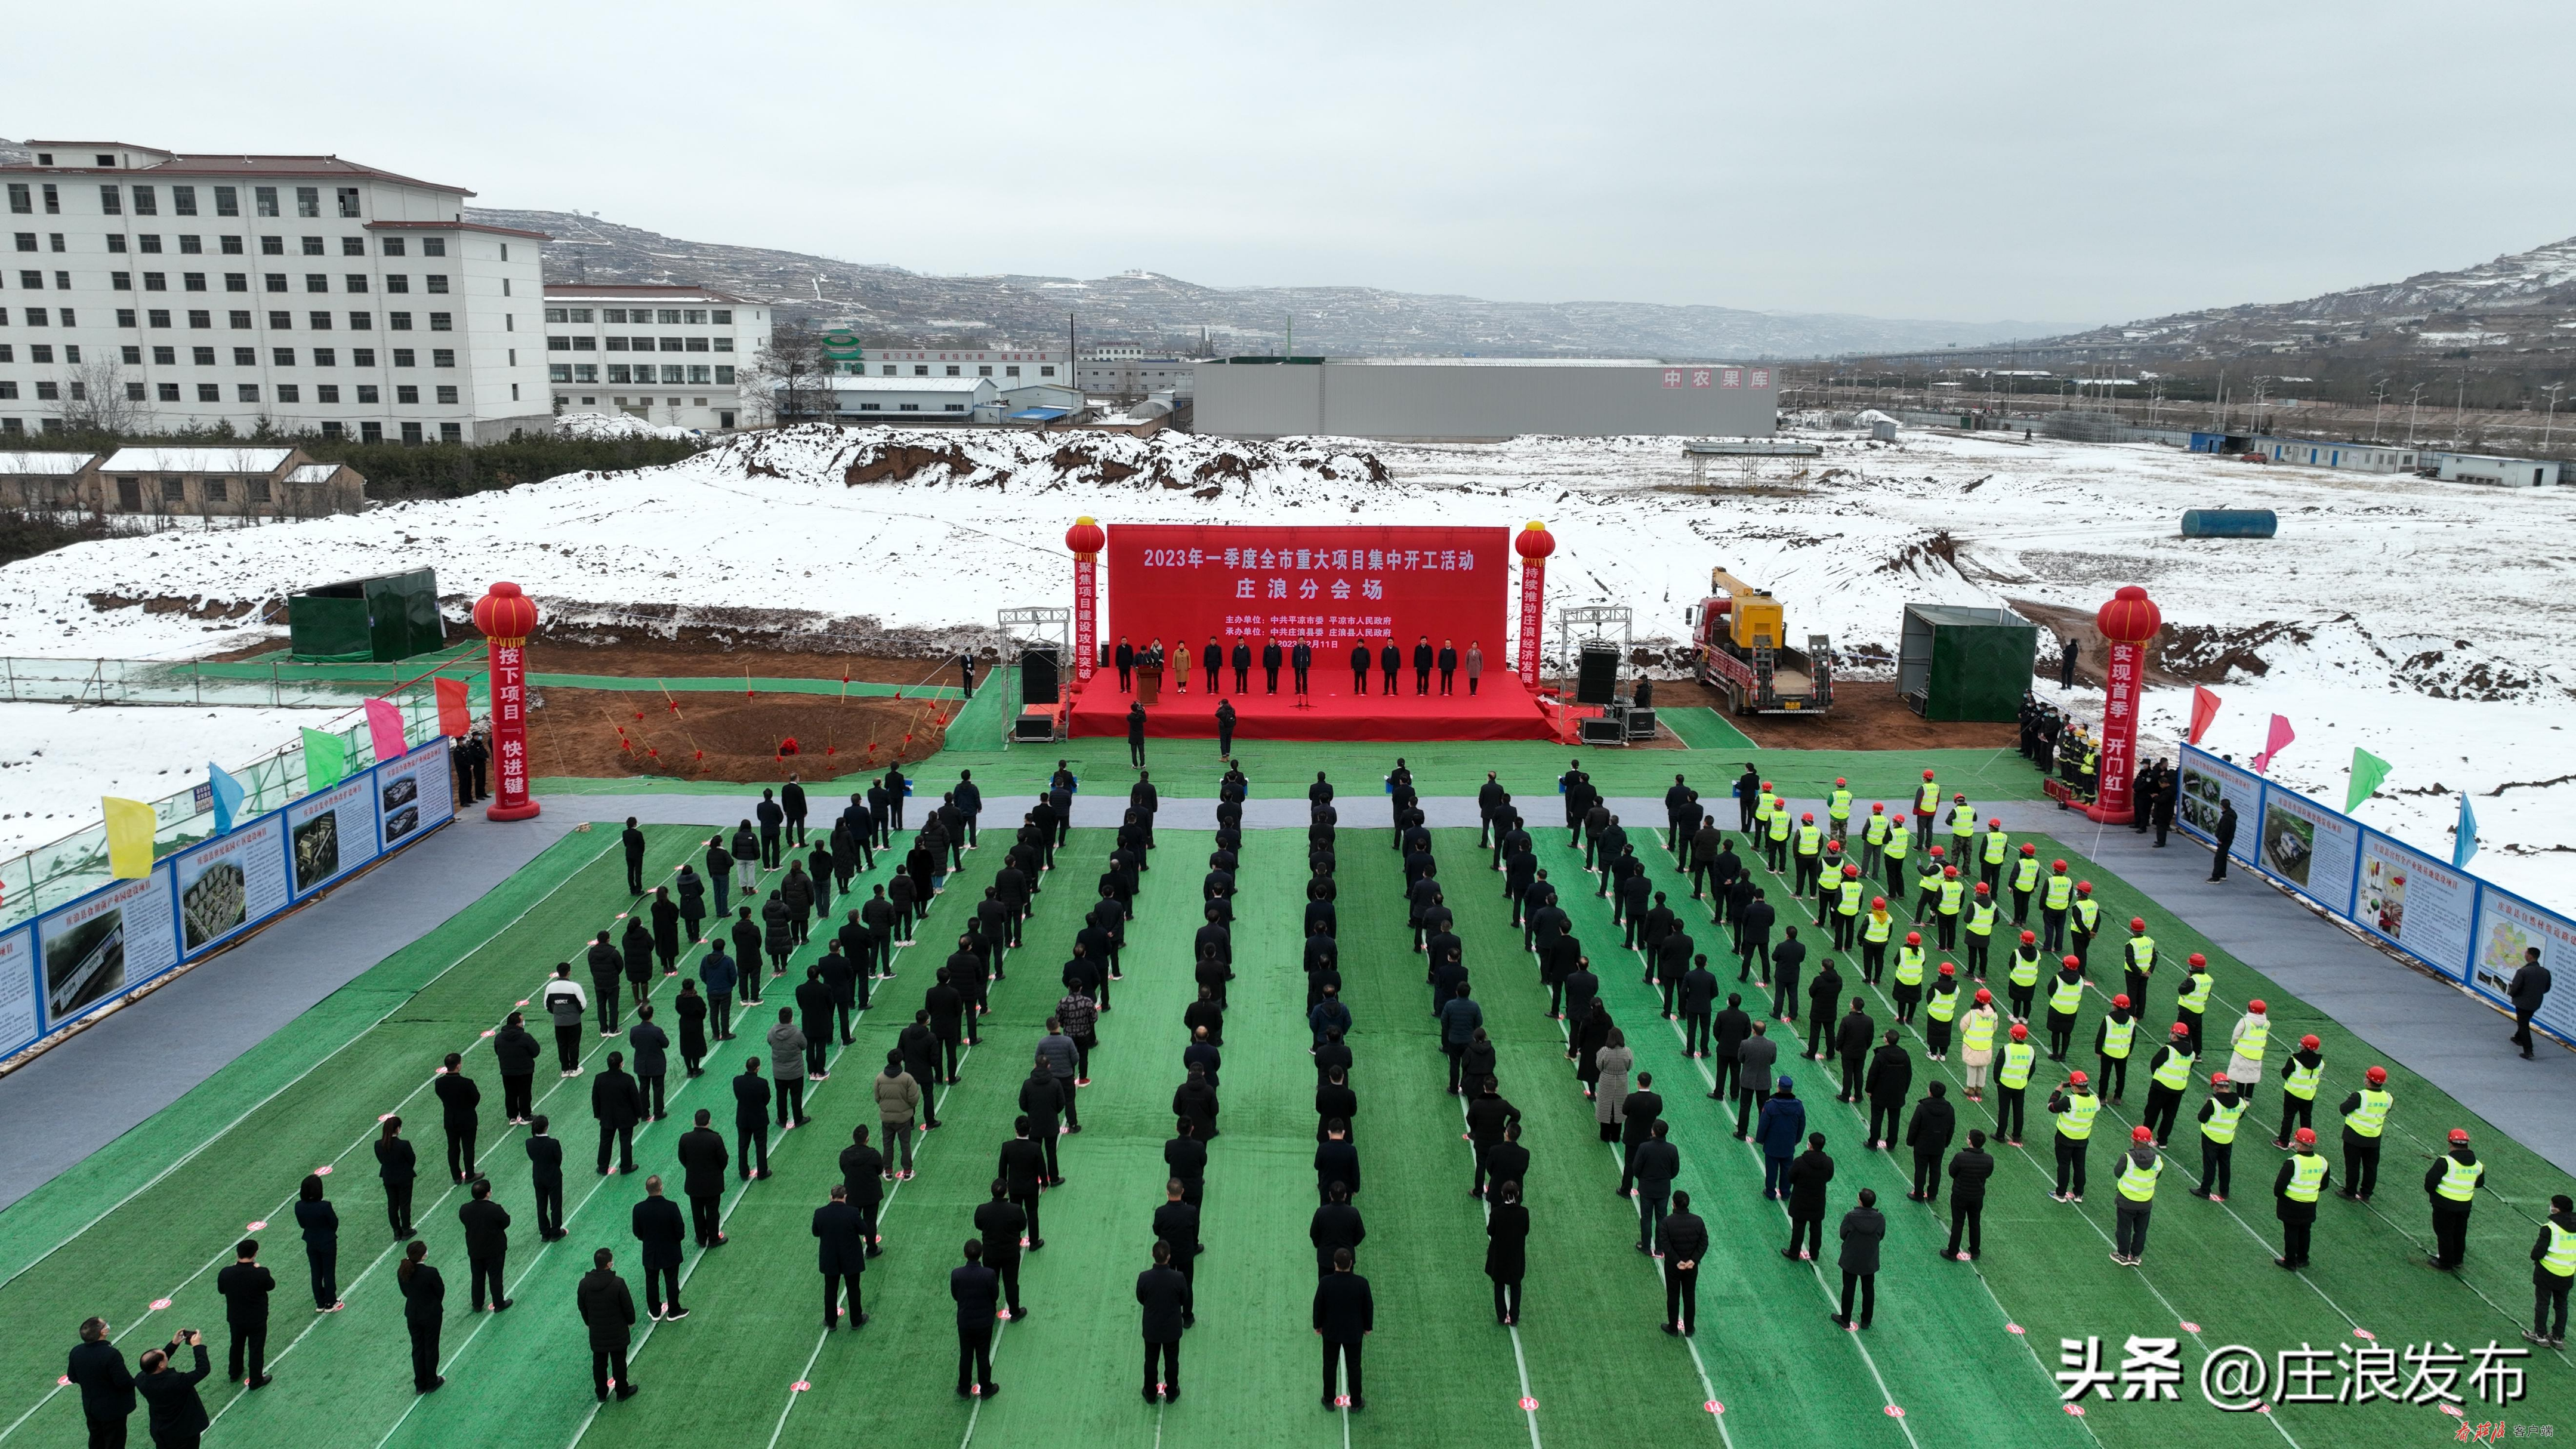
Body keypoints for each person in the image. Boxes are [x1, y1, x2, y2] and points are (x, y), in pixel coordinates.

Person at [578, 1248, 640, 1402]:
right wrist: (631, 1321)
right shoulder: (618, 1283)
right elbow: (627, 1306)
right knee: (619, 1362)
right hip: (617, 1332)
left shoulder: (584, 1284)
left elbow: (582, 1307)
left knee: (599, 1363)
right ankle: (622, 1391)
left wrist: (589, 1323)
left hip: (598, 1333)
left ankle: (601, 1393)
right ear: (608, 1264)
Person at [213, 1238, 275, 1389]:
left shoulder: (226, 1273)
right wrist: (258, 1269)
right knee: (256, 1348)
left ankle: (234, 1372)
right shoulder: (261, 1272)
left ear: (238, 1254)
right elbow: (271, 1286)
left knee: (236, 1344)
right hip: (256, 1318)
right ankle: (256, 1380)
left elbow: (221, 1290)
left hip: (236, 1317)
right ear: (255, 1254)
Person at [67, 1316, 137, 1448]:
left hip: (91, 1407)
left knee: (96, 1440)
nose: (107, 1325)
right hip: (113, 1409)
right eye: (105, 1324)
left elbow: (73, 1377)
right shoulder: (111, 1354)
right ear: (103, 1332)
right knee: (115, 1442)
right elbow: (124, 1383)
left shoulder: (76, 1351)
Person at [1315, 1247, 1372, 1410]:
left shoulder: (1326, 1283)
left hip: (1331, 1332)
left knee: (1330, 1364)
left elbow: (1318, 1306)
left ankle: (1328, 1399)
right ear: (1351, 1263)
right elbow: (1368, 1306)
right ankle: (1356, 1402)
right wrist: (1368, 1327)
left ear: (1335, 1264)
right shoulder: (1361, 1283)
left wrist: (1318, 1326)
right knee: (1354, 1366)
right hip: (1353, 1333)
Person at [1136, 1240, 1192, 1403]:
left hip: (1152, 1329)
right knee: (1172, 1360)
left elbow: (1141, 1298)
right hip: (1171, 1329)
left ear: (1153, 1255)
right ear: (1169, 1257)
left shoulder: (1144, 1278)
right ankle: (1172, 1392)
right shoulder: (1179, 1277)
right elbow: (1184, 1298)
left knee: (1151, 1361)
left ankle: (1150, 1393)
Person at [134, 1333, 211, 1446]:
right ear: (160, 1364)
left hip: (161, 1432)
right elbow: (203, 1369)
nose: (166, 1355)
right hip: (184, 1433)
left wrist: (174, 1344)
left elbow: (157, 1365)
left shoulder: (140, 1379)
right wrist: (197, 1346)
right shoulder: (176, 1381)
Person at [2273, 1127, 2331, 1268]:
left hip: (2291, 1203)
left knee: (2291, 1232)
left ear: (2299, 1144)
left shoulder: (2293, 1162)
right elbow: (2324, 1185)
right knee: (2305, 1231)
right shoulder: (2322, 1162)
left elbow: (2279, 1188)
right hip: (2310, 1204)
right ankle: (2303, 1258)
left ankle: (2290, 1261)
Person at [2334, 1064, 2393, 1202]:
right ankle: (2366, 1194)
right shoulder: (2389, 1098)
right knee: (2371, 1167)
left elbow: (2343, 1109)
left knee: (2353, 1166)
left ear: (2368, 1080)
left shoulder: (2359, 1096)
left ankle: (2350, 1192)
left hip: (2354, 1137)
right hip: (2374, 1138)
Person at [2427, 1128, 2484, 1271]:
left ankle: (2445, 1263)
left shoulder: (2445, 1162)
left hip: (2444, 1205)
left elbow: (2430, 1183)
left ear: (2451, 1143)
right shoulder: (2478, 1165)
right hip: (2465, 1205)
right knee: (2460, 1232)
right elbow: (2479, 1184)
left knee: (2444, 1233)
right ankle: (2458, 1260)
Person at [952, 1240, 1002, 1399]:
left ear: (965, 1255)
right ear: (981, 1254)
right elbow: (995, 1295)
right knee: (982, 1355)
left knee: (966, 1355)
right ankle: (986, 1388)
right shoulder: (989, 1274)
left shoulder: (957, 1274)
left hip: (965, 1321)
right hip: (984, 1322)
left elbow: (955, 1295)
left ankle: (964, 1388)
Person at [1832, 1188, 1885, 1330]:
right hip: (1869, 1260)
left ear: (1860, 1202)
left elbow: (1843, 1234)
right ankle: (1866, 1321)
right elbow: (1881, 1236)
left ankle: (1845, 1319)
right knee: (1868, 1289)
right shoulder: (1880, 1219)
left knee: (1849, 1288)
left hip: (1851, 1259)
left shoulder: (1851, 1217)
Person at [458, 1179, 513, 1314]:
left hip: (475, 1249)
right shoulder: (494, 1209)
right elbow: (506, 1222)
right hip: (494, 1250)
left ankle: (477, 1304)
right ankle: (499, 1304)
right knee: (495, 1277)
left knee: (477, 1277)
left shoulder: (465, 1209)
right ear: (488, 1193)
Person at [289, 1174, 342, 1314]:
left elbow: (302, 1225)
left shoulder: (299, 1206)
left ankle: (320, 1303)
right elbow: (334, 1223)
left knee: (316, 1272)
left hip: (311, 1241)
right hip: (327, 1241)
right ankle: (331, 1302)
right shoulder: (325, 1206)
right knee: (328, 1271)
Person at [397, 1240, 445, 1393]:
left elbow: (405, 1293)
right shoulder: (431, 1272)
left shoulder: (403, 1271)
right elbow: (440, 1292)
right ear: (423, 1256)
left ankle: (420, 1384)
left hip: (413, 1314)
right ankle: (431, 1380)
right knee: (431, 1347)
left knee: (417, 1348)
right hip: (431, 1315)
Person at [1941, 1129, 1996, 1260]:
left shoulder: (1961, 1157)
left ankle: (1952, 1252)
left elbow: (1952, 1172)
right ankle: (1975, 1251)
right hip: (1977, 1196)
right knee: (1975, 1222)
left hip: (1960, 1195)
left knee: (1958, 1223)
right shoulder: (1988, 1159)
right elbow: (1988, 1174)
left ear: (1970, 1141)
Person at [2047, 1069, 2100, 1201]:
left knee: (2064, 1165)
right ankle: (2078, 1194)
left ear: (2074, 1087)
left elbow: (2051, 1107)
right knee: (2080, 1165)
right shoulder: (2095, 1100)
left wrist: (2058, 1091)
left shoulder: (2070, 1101)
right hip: (2082, 1138)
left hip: (2065, 1138)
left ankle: (2061, 1194)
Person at [2531, 1192, 2575, 1348]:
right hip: (2568, 1273)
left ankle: (2540, 1335)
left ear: (2556, 1210)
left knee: (2543, 1304)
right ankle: (2558, 1338)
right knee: (2562, 1305)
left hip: (2547, 1272)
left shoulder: (2550, 1228)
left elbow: (2537, 1253)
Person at [1484, 1179, 1530, 1326]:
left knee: (1499, 1284)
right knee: (1516, 1285)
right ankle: (1514, 1317)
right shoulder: (1524, 1213)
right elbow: (1526, 1231)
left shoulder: (1497, 1212)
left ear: (1502, 1195)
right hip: (1516, 1255)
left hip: (1499, 1255)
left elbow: (1490, 1231)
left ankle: (1501, 1316)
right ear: (1517, 1194)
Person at [591, 1050, 643, 1175]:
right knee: (625, 1142)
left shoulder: (600, 1079)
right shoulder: (628, 1079)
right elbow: (635, 1098)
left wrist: (598, 1114)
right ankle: (626, 1167)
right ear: (621, 1064)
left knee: (605, 1142)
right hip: (625, 1117)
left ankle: (603, 1167)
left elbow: (595, 1098)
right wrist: (639, 1113)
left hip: (607, 1117)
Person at [1632, 1120, 1679, 1254]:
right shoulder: (1672, 1149)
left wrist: (1643, 1179)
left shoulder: (1644, 1147)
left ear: (1653, 1131)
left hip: (1647, 1188)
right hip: (1663, 1190)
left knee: (1646, 1218)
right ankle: (1660, 1248)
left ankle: (1646, 1246)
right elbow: (1675, 1170)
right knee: (1662, 1219)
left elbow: (1636, 1168)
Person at [1784, 1132, 1833, 1260]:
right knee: (1816, 1229)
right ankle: (1815, 1253)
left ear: (1810, 1145)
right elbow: (1829, 1177)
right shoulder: (1828, 1162)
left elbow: (1791, 1177)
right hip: (1818, 1201)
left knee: (1798, 1228)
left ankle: (1794, 1253)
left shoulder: (1800, 1162)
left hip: (1800, 1200)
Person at [1905, 1082, 1956, 1203]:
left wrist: (1910, 1141)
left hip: (1922, 1144)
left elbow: (1914, 1126)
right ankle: (1932, 1195)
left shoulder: (1922, 1108)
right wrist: (1946, 1143)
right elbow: (1951, 1128)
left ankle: (1918, 1194)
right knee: (1936, 1169)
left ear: (1931, 1093)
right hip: (1939, 1144)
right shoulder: (1949, 1109)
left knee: (1921, 1169)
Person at [1755, 1076, 1804, 1198]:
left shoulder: (1771, 1105)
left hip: (1772, 1144)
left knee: (1771, 1170)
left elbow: (1763, 1124)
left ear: (1779, 1089)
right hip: (1788, 1144)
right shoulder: (1798, 1106)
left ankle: (1771, 1192)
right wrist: (1797, 1140)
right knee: (1787, 1169)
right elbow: (1802, 1125)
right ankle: (1786, 1192)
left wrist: (1760, 1139)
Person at [1865, 1030, 1911, 1151]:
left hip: (1880, 1094)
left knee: (1876, 1119)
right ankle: (1891, 1144)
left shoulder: (1880, 1056)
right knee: (1894, 1120)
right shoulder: (1905, 1056)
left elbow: (1873, 1074)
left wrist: (1869, 1089)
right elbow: (1909, 1075)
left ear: (1886, 1040)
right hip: (1897, 1095)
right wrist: (1904, 1091)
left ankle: (1873, 1142)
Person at [525, 1115, 566, 1243]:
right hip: (553, 1177)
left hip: (538, 1177)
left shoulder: (529, 1143)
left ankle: (545, 1232)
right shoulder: (553, 1143)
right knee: (556, 1204)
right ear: (546, 1127)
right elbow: (558, 1159)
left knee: (541, 1205)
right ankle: (555, 1232)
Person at [375, 1118, 417, 1240]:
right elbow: (412, 1159)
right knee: (404, 1204)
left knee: (392, 1205)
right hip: (404, 1177)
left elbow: (381, 1160)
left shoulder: (378, 1144)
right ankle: (406, 1229)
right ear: (398, 1129)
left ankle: (396, 1231)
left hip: (388, 1177)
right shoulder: (404, 1144)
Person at [733, 1056, 773, 1182]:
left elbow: (738, 1096)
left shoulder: (737, 1081)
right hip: (759, 1118)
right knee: (760, 1145)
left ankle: (743, 1172)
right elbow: (766, 1099)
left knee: (743, 1146)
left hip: (743, 1118)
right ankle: (762, 1172)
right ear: (758, 1068)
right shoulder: (762, 1083)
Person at [2510, 947, 2552, 1059]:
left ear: (2530, 956)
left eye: (2526, 954)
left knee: (2523, 1025)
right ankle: (2517, 1038)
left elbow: (2515, 988)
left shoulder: (2523, 971)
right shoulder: (2545, 972)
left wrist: (2513, 995)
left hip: (2523, 1002)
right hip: (2536, 1002)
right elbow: (2547, 988)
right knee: (2525, 1020)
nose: (2525, 955)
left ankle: (2528, 1050)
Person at [2209, 799, 2238, 880]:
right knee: (2223, 857)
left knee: (2218, 858)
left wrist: (2220, 840)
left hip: (2224, 841)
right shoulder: (2231, 815)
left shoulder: (2226, 818)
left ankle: (2215, 877)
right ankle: (2222, 874)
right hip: (2228, 840)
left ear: (2223, 806)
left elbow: (2225, 830)